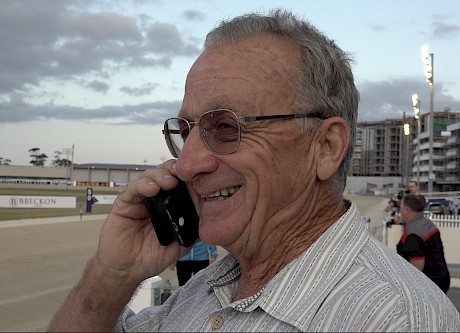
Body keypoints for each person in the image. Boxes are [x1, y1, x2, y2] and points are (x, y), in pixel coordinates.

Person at [48, 10, 460, 332]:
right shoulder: (206, 290)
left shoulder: (397, 320)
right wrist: (111, 273)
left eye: (225, 127)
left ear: (326, 147)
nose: (187, 165)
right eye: (186, 131)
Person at [397, 194, 450, 293]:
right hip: (441, 278)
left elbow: (417, 269)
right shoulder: (426, 223)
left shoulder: (412, 234)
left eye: (401, 208)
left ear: (407, 210)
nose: (400, 212)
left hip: (429, 285)